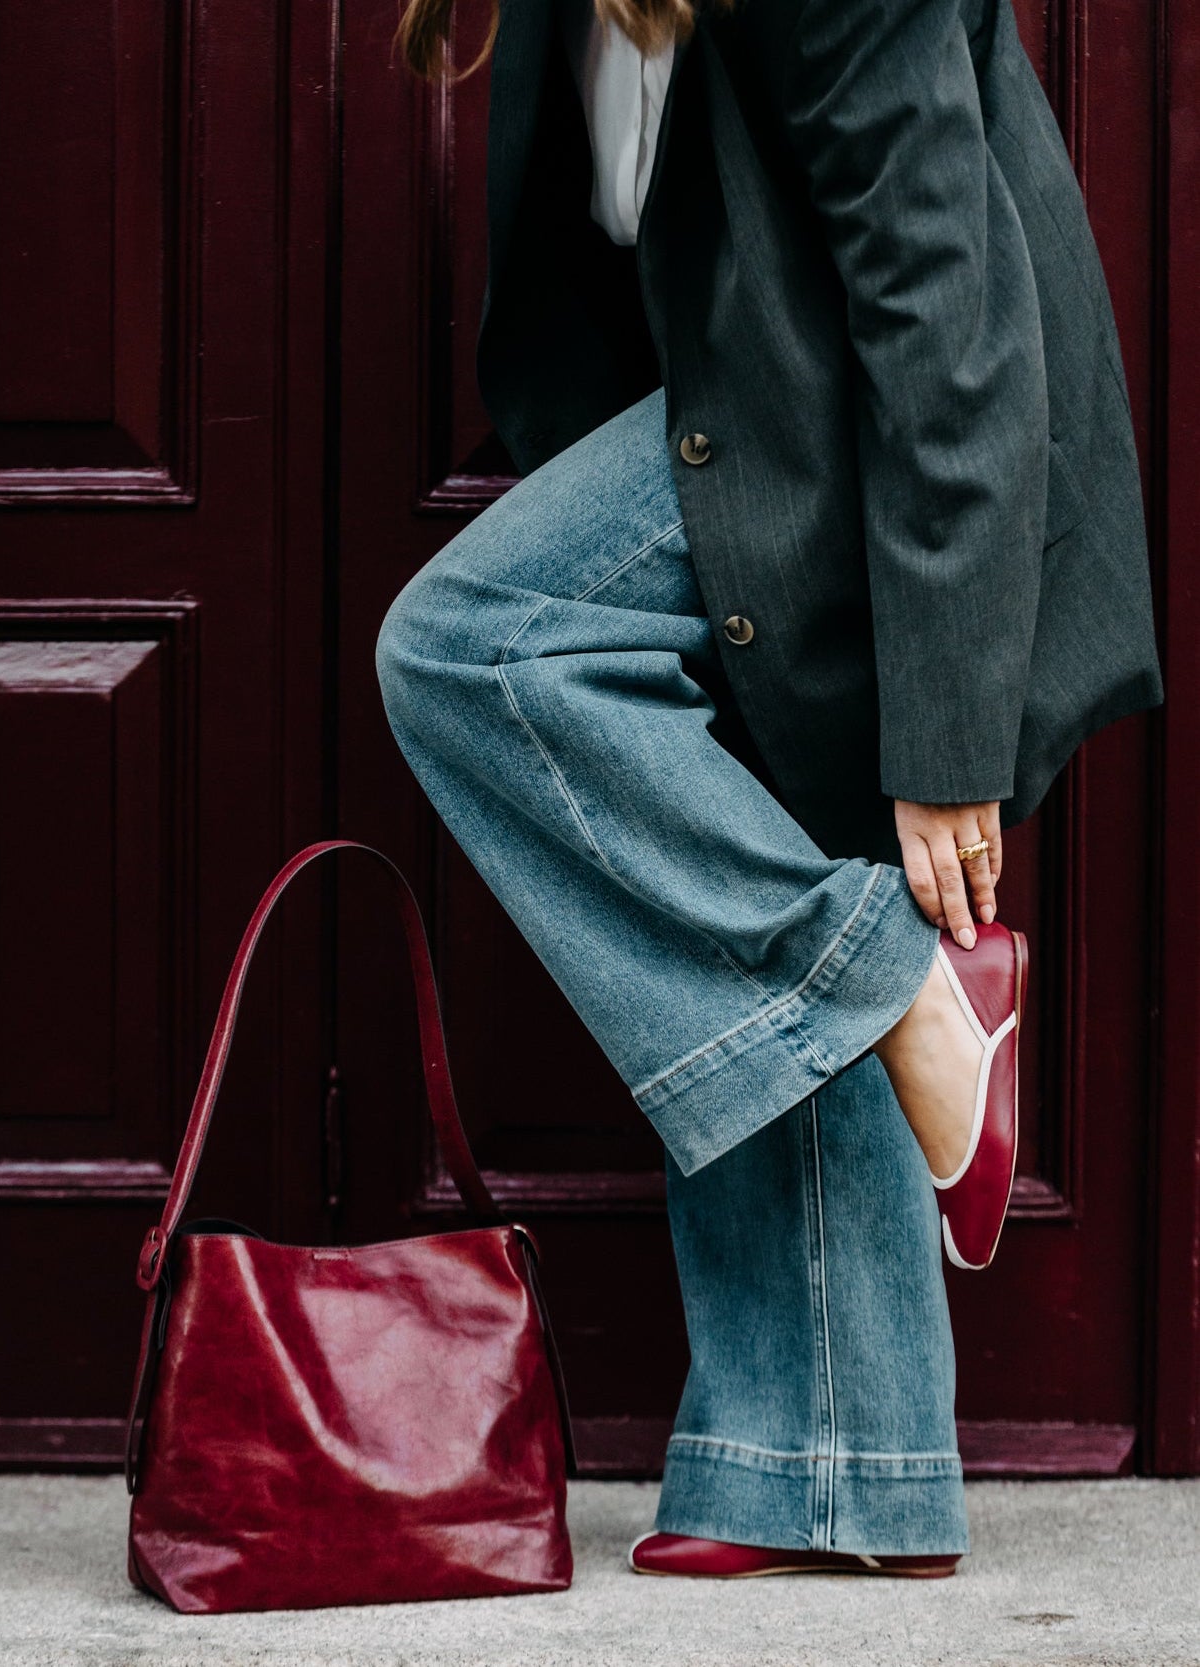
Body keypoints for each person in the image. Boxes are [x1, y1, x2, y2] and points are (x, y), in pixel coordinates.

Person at [375, 0, 1165, 1581]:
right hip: (731, 430)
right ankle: (827, 1474)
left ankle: (894, 985)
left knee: (467, 645)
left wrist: (946, 730)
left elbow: (952, 319)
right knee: (724, 896)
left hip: (886, 454)